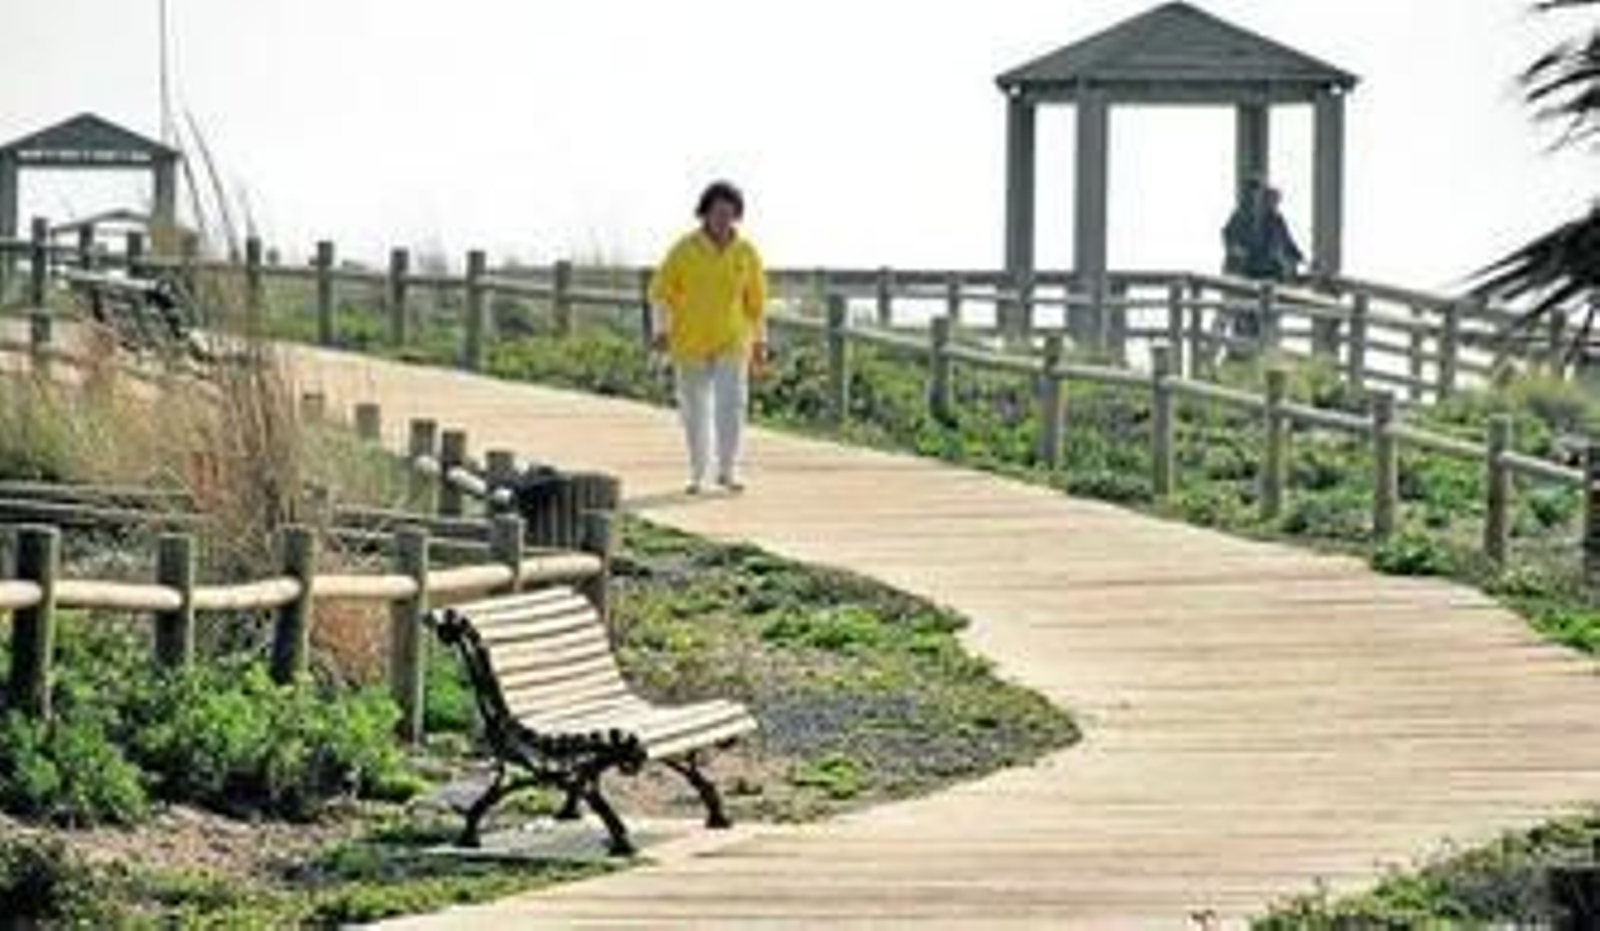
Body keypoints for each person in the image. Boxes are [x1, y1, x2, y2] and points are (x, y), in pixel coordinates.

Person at [649, 180, 768, 495]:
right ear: (704, 213)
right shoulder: (684, 249)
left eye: (730, 213)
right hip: (689, 340)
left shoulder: (746, 252)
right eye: (717, 212)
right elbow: (661, 293)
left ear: (737, 215)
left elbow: (756, 304)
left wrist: (760, 342)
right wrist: (661, 330)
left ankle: (727, 470)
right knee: (694, 409)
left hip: (732, 339)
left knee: (732, 405)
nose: (723, 219)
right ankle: (698, 472)